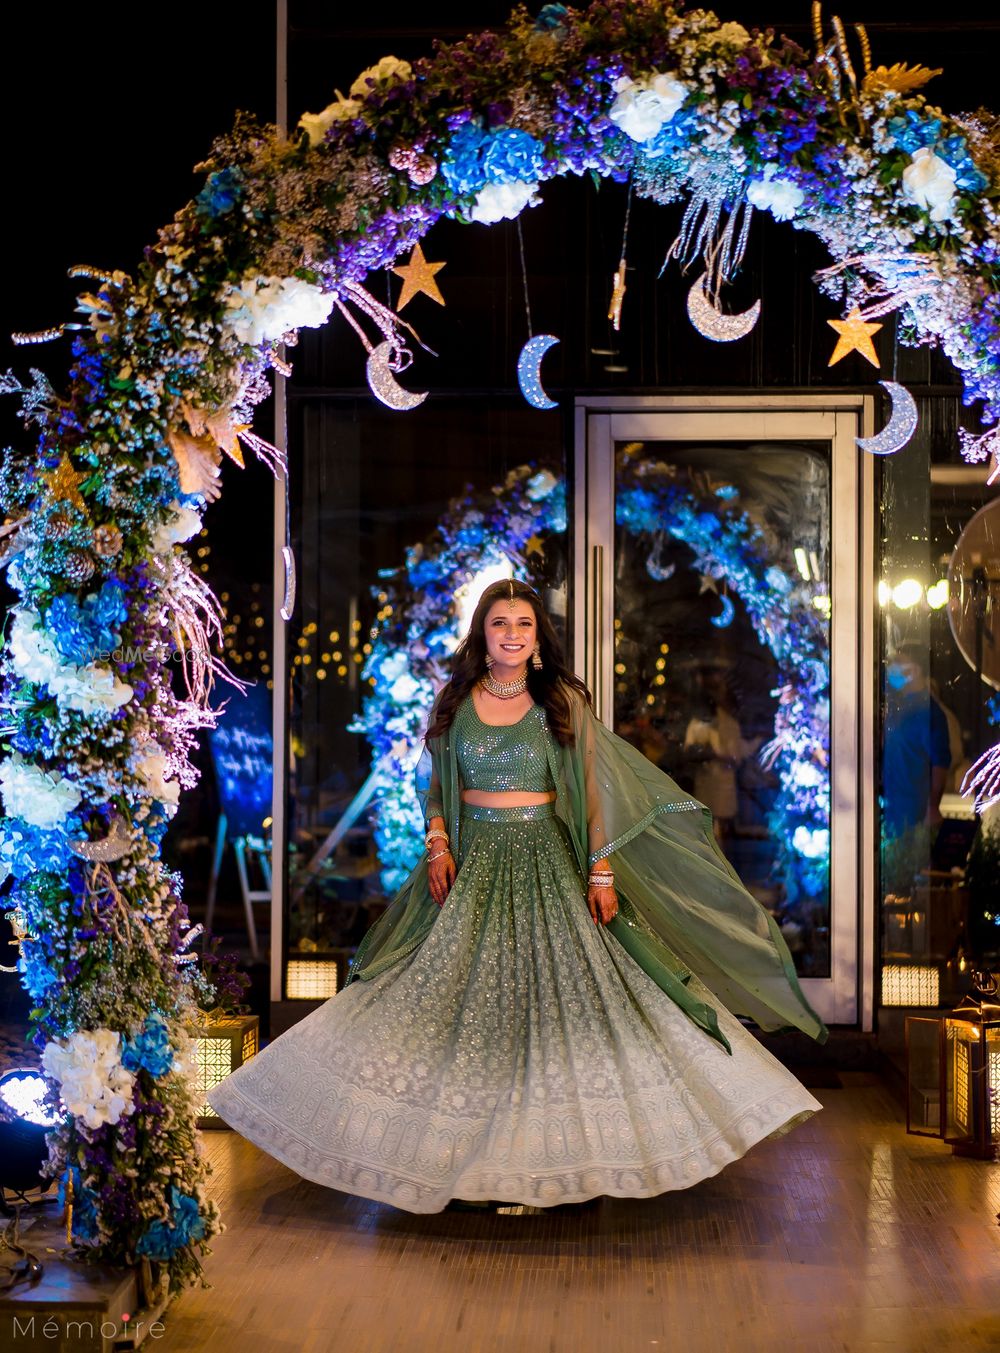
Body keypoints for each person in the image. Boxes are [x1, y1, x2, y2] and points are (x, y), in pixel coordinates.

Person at [208, 579, 826, 1213]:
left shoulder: (559, 703)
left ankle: (556, 1165)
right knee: (451, 1003)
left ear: (537, 638)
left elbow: (592, 794)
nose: (510, 633)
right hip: (472, 868)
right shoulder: (455, 702)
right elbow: (435, 789)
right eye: (498, 622)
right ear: (482, 633)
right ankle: (456, 1160)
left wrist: (602, 870)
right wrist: (439, 841)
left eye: (523, 624)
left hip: (549, 865)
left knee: (561, 1005)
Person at [683, 667, 763, 844]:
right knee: (709, 834)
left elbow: (735, 753)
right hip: (709, 787)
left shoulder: (726, 722)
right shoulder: (702, 722)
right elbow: (691, 750)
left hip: (720, 788)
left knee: (717, 834)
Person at [882, 643, 951, 839]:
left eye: (899, 663)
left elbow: (940, 764)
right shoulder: (899, 708)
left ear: (916, 670)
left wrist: (932, 808)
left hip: (914, 817)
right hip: (892, 812)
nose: (892, 668)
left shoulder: (929, 713)